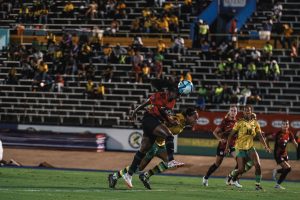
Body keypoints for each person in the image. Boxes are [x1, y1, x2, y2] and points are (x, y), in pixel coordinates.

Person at [108, 108, 199, 189]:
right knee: (139, 167)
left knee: (168, 162)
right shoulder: (178, 119)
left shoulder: (183, 123)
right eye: (195, 118)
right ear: (188, 116)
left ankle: (145, 176)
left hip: (160, 144)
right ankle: (114, 176)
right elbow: (164, 122)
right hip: (153, 143)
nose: (196, 120)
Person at [121, 80, 184, 188]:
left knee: (143, 150)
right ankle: (171, 160)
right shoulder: (159, 95)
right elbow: (147, 104)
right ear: (169, 91)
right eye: (176, 93)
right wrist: (135, 111)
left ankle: (128, 174)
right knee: (169, 135)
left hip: (156, 122)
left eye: (178, 94)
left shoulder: (172, 102)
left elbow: (164, 114)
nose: (177, 96)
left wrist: (170, 121)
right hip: (149, 119)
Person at [225, 105, 271, 190]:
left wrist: (266, 146)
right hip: (239, 148)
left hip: (250, 147)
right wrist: (227, 148)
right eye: (245, 110)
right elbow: (230, 135)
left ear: (251, 111)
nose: (247, 112)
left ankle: (257, 185)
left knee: (258, 164)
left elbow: (260, 136)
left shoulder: (255, 123)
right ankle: (231, 175)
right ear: (243, 112)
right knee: (241, 169)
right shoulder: (239, 122)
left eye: (248, 110)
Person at [203, 105, 238, 186]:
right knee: (217, 164)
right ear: (229, 112)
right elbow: (215, 132)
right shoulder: (224, 121)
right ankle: (205, 178)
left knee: (240, 162)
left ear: (237, 112)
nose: (233, 112)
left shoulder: (237, 122)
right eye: (232, 110)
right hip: (222, 146)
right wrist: (220, 139)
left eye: (235, 111)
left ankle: (231, 178)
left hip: (232, 146)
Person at [271, 120, 298, 189]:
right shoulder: (278, 133)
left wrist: (297, 146)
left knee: (287, 169)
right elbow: (268, 138)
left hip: (285, 154)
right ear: (281, 126)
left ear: (288, 125)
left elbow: (294, 143)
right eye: (283, 124)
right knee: (288, 168)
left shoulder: (290, 133)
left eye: (286, 124)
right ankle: (277, 184)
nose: (285, 125)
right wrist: (267, 147)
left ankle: (276, 171)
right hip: (278, 154)